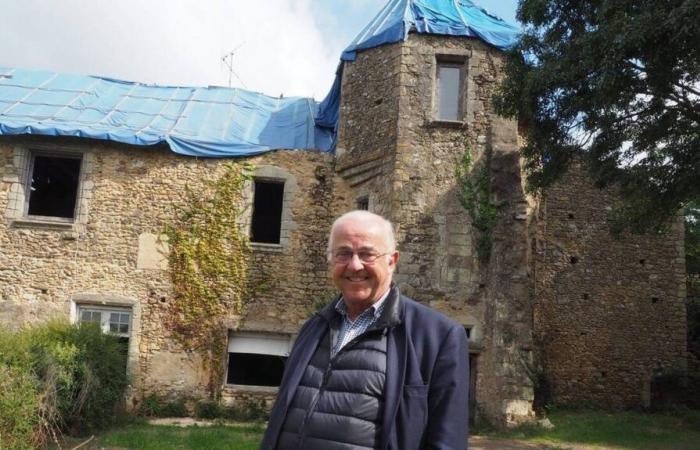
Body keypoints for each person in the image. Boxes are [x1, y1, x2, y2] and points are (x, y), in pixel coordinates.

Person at [261, 210, 469, 450]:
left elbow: (447, 441)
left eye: (367, 254)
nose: (355, 265)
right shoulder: (314, 327)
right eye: (343, 254)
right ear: (331, 259)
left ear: (392, 261)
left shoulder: (437, 337)